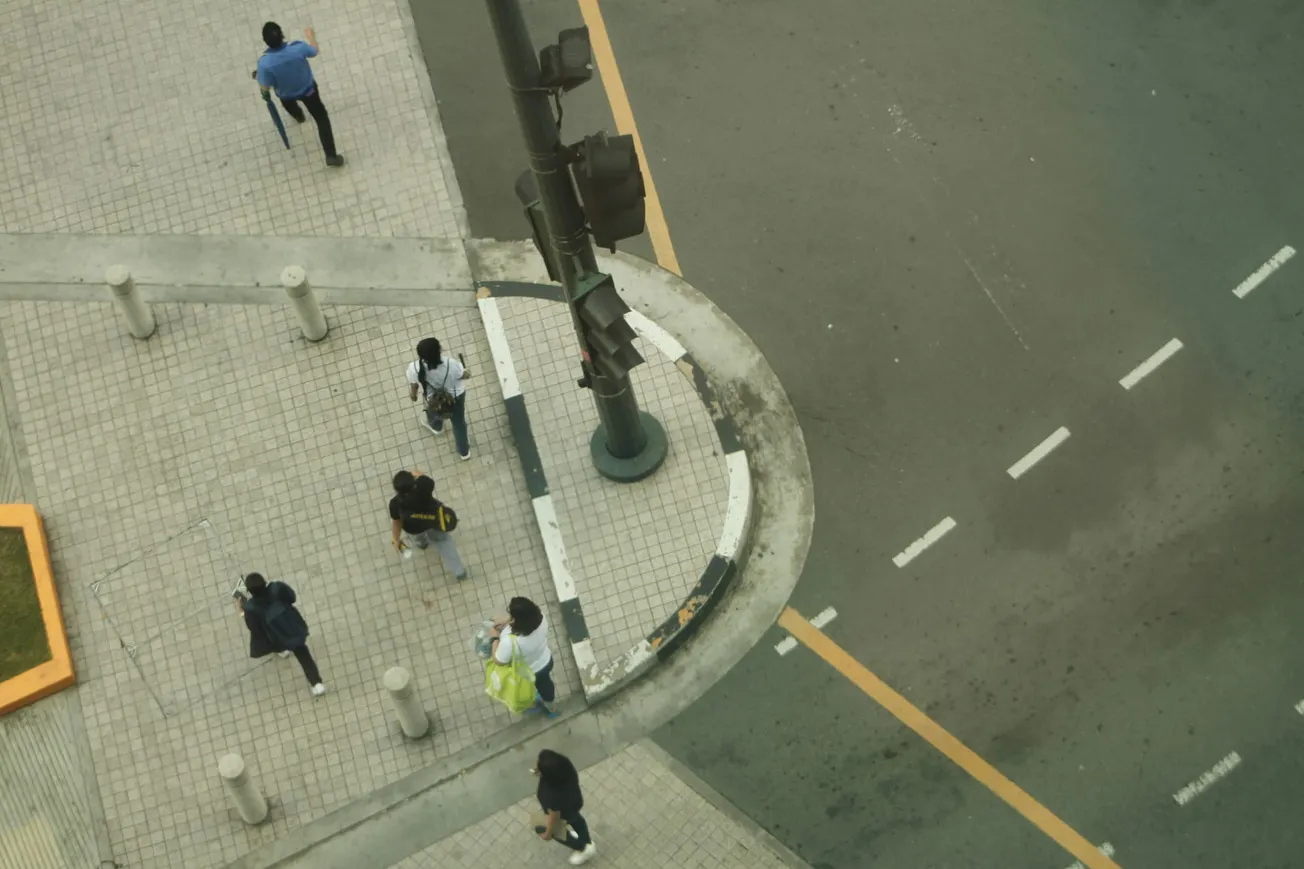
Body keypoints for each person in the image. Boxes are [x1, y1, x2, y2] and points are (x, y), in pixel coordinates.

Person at [255, 22, 345, 168]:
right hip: (309, 90)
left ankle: (299, 116)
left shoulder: (264, 64)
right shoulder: (297, 47)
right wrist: (311, 37)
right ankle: (331, 155)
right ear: (282, 34)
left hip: (286, 95)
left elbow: (265, 86)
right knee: (321, 119)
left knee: (290, 106)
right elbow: (314, 51)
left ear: (265, 41)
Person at [234, 572, 326, 696]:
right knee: (304, 655)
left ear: (249, 591)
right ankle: (316, 684)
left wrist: (242, 612)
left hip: (275, 636)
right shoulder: (276, 589)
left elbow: (255, 629)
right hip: (291, 627)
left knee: (273, 643)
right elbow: (292, 597)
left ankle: (282, 650)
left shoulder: (251, 607)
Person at [389, 470, 468, 580]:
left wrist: (396, 539)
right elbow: (423, 476)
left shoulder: (395, 504)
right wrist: (417, 474)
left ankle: (422, 544)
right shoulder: (424, 486)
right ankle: (459, 572)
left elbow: (397, 522)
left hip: (414, 528)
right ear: (414, 483)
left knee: (417, 538)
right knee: (444, 543)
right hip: (434, 522)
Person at [488, 597, 556, 716]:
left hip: (528, 672)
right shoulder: (541, 618)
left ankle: (538, 704)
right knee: (546, 685)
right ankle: (551, 706)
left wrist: (494, 638)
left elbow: (498, 660)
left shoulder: (510, 642)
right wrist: (506, 621)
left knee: (528, 689)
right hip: (545, 660)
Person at [405, 337, 471, 460]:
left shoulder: (414, 368)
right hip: (456, 396)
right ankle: (464, 452)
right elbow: (464, 375)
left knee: (433, 411)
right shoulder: (451, 364)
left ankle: (437, 427)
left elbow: (414, 385)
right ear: (438, 350)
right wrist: (467, 372)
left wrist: (413, 396)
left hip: (433, 398)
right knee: (458, 424)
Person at [533, 749, 597, 864]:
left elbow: (554, 817)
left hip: (561, 811)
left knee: (540, 825)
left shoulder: (551, 795)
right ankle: (586, 840)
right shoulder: (564, 765)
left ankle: (582, 847)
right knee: (576, 819)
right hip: (573, 801)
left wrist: (548, 833)